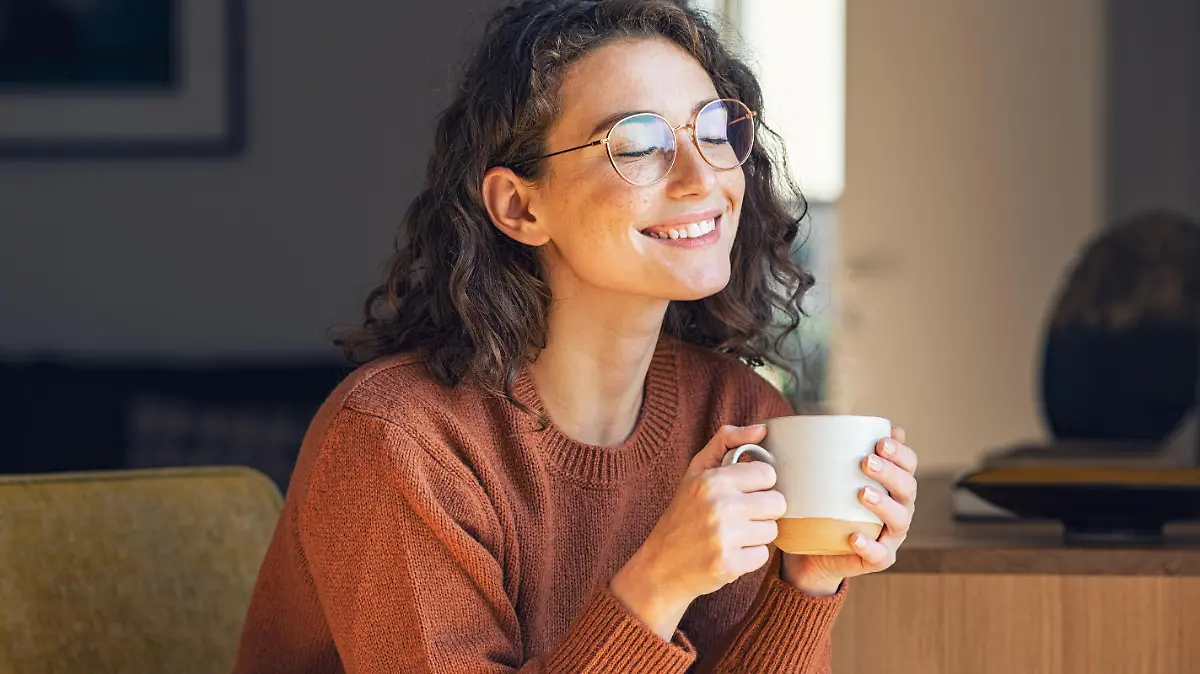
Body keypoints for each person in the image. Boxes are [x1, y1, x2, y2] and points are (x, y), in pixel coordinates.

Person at [233, 1, 918, 672]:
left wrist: (806, 583)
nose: (701, 176)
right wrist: (657, 584)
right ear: (520, 206)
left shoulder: (740, 416)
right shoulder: (399, 440)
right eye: (640, 146)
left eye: (713, 130)